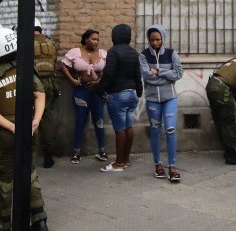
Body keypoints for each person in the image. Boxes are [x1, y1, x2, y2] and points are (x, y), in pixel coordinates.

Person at [0, 27, 49, 231]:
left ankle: (4, 224)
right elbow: (40, 95)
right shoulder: (25, 68)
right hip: (28, 128)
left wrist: (11, 127)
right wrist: (35, 121)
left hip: (3, 134)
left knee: (4, 179)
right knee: (30, 173)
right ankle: (40, 220)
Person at [140, 24, 185, 182]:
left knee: (171, 129)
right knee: (155, 130)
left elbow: (179, 73)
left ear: (163, 38)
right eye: (152, 40)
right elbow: (146, 76)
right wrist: (167, 76)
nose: (155, 43)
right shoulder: (144, 56)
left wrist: (158, 71)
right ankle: (158, 165)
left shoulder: (172, 54)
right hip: (153, 99)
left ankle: (172, 166)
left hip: (170, 98)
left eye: (158, 39)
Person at [98, 23, 143, 172]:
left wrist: (100, 90)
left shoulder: (113, 52)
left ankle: (118, 163)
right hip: (132, 95)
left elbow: (109, 74)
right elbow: (138, 75)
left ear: (114, 36)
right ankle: (126, 160)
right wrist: (139, 91)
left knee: (119, 129)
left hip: (118, 94)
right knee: (128, 127)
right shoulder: (134, 53)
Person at [60, 29, 108, 164]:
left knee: (99, 120)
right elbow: (63, 65)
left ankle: (102, 150)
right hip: (81, 90)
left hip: (97, 92)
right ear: (86, 39)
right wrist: (72, 80)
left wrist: (99, 81)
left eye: (98, 39)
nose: (96, 42)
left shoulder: (103, 54)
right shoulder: (75, 52)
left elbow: (108, 71)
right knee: (80, 120)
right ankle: (76, 152)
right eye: (93, 39)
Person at [206, 55, 236, 165]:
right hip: (222, 88)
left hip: (212, 84)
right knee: (227, 121)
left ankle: (229, 150)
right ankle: (232, 155)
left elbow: (234, 90)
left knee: (220, 121)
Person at [32, 19, 60, 168]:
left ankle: (29, 154)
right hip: (49, 84)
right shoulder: (51, 43)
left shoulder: (25, 42)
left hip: (32, 83)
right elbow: (54, 62)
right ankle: (49, 155)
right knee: (46, 116)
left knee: (28, 118)